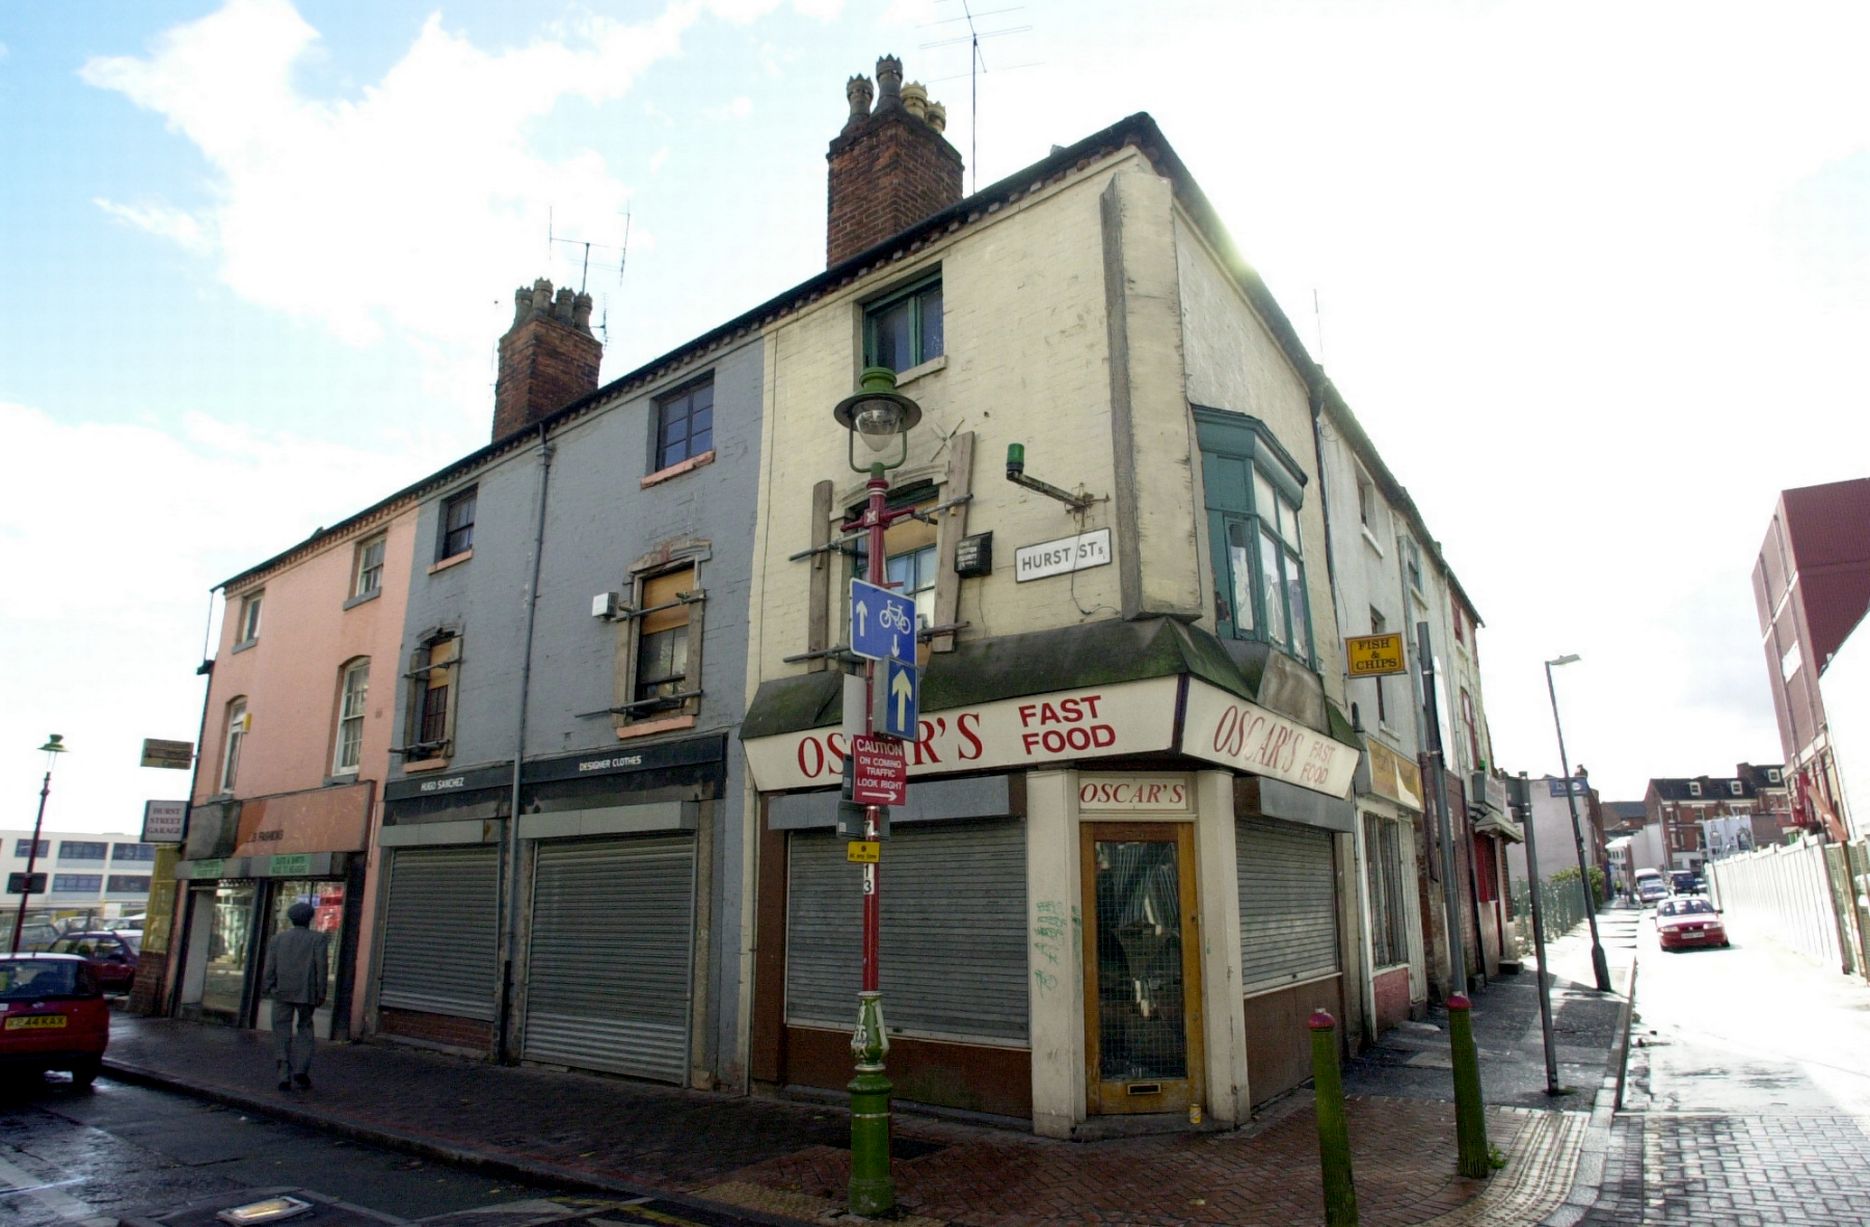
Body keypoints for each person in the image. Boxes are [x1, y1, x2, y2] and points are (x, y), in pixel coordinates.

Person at [261, 900, 329, 1091]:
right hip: (306, 992)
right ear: (310, 919)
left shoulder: (278, 939)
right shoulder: (318, 939)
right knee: (305, 1029)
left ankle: (283, 1072)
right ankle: (301, 1069)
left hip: (282, 992)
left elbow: (270, 967)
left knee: (281, 1031)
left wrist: (268, 987)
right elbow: (321, 968)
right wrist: (321, 991)